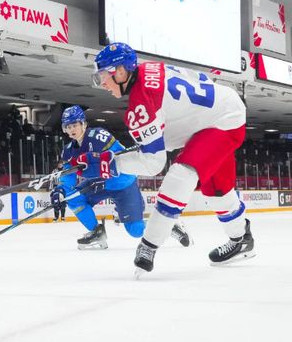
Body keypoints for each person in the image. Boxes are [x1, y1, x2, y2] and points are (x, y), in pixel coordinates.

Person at [90, 42, 254, 276]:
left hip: (222, 120)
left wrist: (110, 164)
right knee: (217, 192)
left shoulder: (141, 101)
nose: (102, 84)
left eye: (102, 76)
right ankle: (241, 239)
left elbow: (153, 163)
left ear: (120, 71)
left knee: (181, 175)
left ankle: (148, 246)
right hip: (219, 110)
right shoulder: (148, 69)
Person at [50, 105, 189, 249]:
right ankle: (96, 232)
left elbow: (122, 158)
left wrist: (107, 166)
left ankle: (169, 226)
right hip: (98, 184)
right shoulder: (68, 151)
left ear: (83, 124)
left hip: (122, 183)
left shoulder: (98, 136)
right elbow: (68, 177)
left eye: (74, 125)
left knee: (135, 230)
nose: (72, 129)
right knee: (71, 197)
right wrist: (60, 190)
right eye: (68, 126)